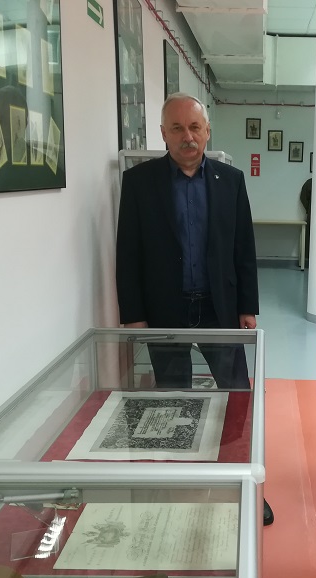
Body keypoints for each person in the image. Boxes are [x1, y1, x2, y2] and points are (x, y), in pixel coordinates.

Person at [115, 92, 274, 526]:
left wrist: (248, 306)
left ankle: (245, 481)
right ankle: (176, 480)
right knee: (172, 400)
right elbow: (128, 253)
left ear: (207, 132)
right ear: (163, 133)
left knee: (237, 397)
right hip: (164, 309)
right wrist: (134, 315)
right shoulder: (139, 182)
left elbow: (243, 247)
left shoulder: (230, 180)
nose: (187, 136)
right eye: (177, 128)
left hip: (219, 309)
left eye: (195, 128)